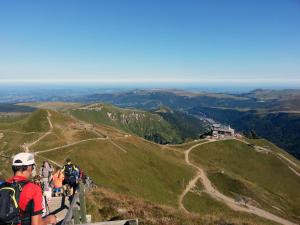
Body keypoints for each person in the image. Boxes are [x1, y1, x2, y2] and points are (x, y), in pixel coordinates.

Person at [4, 152, 56, 225]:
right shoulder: (34, 189)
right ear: (28, 167)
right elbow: (36, 224)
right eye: (32, 167)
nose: (32, 171)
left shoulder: (3, 186)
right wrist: (49, 219)